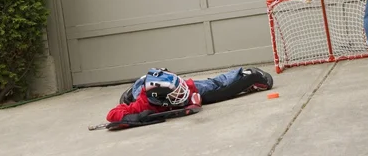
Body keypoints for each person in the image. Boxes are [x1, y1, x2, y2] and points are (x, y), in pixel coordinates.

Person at [106, 66, 273, 124]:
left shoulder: (183, 86)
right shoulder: (143, 104)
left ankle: (243, 72)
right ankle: (130, 91)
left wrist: (192, 94)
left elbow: (212, 85)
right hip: (140, 87)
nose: (183, 92)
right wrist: (139, 116)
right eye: (177, 92)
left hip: (158, 82)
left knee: (212, 85)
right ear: (162, 100)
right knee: (133, 97)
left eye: (180, 88)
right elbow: (111, 115)